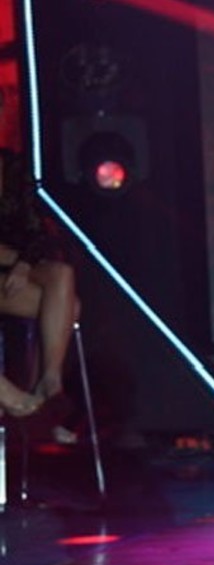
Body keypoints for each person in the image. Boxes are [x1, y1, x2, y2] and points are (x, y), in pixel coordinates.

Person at [0, 147, 79, 419]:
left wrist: (22, 263)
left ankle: (49, 378)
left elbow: (39, 230)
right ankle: (5, 391)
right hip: (6, 264)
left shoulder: (13, 168)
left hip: (16, 269)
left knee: (62, 279)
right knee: (67, 309)